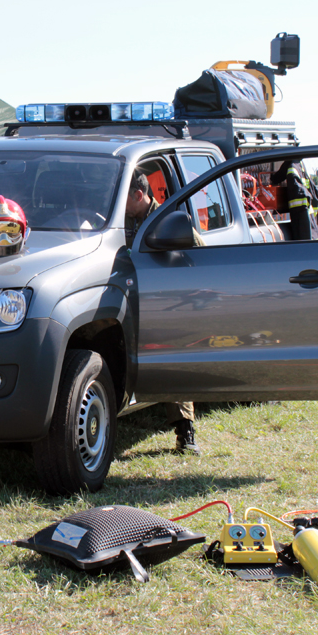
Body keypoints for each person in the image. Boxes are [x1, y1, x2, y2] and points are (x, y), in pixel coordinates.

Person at [123, 172, 200, 455]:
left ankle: (185, 432)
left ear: (138, 195)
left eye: (124, 196)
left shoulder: (166, 219)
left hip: (161, 299)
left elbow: (200, 253)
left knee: (172, 359)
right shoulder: (121, 220)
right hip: (126, 295)